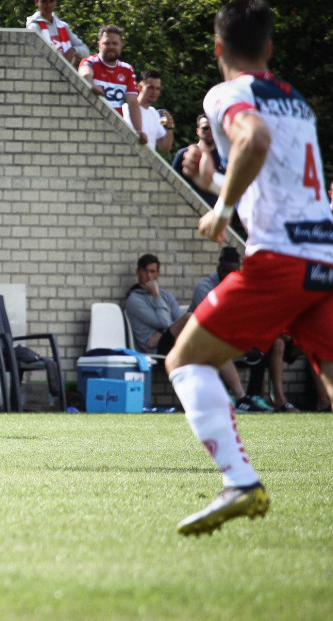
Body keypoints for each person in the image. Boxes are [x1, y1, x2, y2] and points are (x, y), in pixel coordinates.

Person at [169, 0, 333, 535]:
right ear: (269, 49)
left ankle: (239, 480)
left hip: (281, 261)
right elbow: (275, 183)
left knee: (185, 361)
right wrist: (214, 184)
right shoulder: (299, 104)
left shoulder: (226, 93)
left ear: (217, 48)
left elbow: (253, 139)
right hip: (325, 257)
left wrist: (219, 208)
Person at [188, 247, 273, 413]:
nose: (229, 275)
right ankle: (233, 398)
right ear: (219, 268)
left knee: (269, 342)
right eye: (226, 271)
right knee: (219, 343)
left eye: (233, 271)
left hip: (231, 336)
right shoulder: (204, 288)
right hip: (203, 340)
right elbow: (209, 322)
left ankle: (254, 396)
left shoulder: (240, 286)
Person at [78, 24, 146, 144]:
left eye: (115, 44)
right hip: (89, 127)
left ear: (121, 45)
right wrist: (91, 84)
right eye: (107, 43)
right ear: (99, 45)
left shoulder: (127, 69)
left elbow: (133, 102)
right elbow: (84, 74)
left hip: (114, 129)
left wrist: (139, 130)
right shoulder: (90, 61)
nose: (111, 47)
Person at [124, 253, 191, 355]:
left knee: (191, 320)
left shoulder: (166, 295)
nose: (149, 276)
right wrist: (156, 295)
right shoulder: (134, 300)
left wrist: (161, 332)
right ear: (137, 272)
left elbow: (180, 320)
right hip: (155, 347)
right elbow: (163, 322)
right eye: (145, 271)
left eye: (152, 271)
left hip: (170, 339)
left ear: (157, 274)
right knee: (188, 317)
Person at [172, 115, 226, 205]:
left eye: (212, 128)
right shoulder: (184, 155)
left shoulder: (223, 156)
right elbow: (172, 183)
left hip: (214, 212)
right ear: (197, 131)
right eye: (205, 128)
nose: (209, 131)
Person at [122, 69, 175, 152]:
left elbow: (165, 147)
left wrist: (169, 127)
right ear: (140, 87)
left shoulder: (154, 113)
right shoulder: (126, 108)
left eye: (157, 89)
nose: (154, 92)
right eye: (151, 87)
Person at [25, 0, 88, 64]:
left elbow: (85, 51)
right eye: (44, 1)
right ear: (36, 2)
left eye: (51, 1)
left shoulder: (63, 26)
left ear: (56, 2)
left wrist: (73, 51)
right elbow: (32, 54)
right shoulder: (33, 28)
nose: (48, 5)